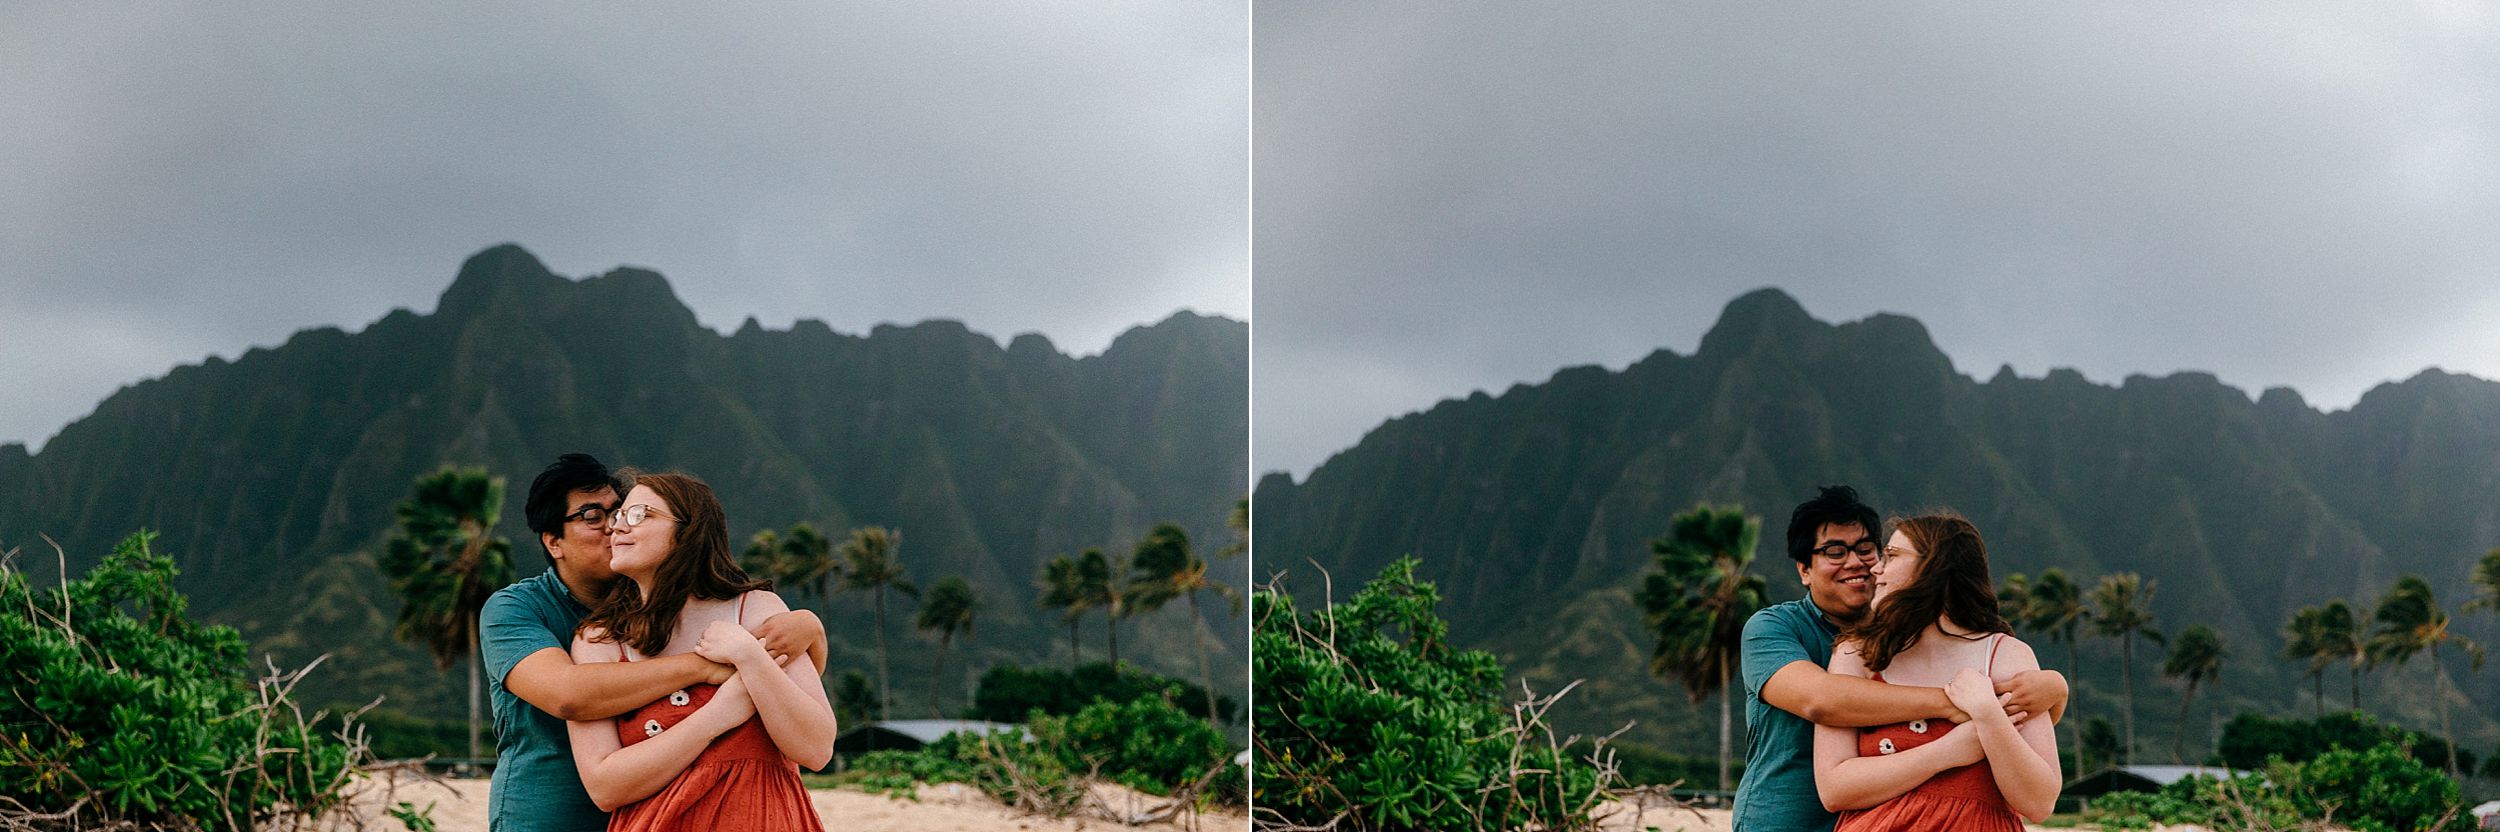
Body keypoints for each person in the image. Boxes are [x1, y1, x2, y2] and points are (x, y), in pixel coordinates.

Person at [482, 454, 828, 832]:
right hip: (552, 817)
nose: (614, 528)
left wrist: (809, 628)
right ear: (554, 542)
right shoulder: (522, 611)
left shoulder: (741, 611)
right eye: (592, 517)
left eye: (626, 513)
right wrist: (710, 669)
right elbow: (570, 696)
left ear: (687, 532)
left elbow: (808, 731)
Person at [1730, 486, 2066, 832]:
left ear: (1933, 567)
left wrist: (2053, 690)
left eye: (1869, 550)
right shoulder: (1778, 630)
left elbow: (2036, 787)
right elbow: (1821, 700)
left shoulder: (1994, 653)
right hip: (1787, 821)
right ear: (1804, 570)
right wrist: (1961, 705)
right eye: (1834, 551)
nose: (1861, 564)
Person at [567, 471, 838, 831]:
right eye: (619, 518)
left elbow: (817, 749)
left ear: (687, 532)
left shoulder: (756, 610)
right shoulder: (599, 640)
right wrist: (721, 713)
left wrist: (749, 656)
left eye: (639, 515)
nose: (617, 528)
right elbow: (604, 787)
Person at [1813, 513, 2060, 828]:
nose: (1875, 568)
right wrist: (1951, 749)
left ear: (1935, 567)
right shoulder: (1857, 654)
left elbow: (2039, 803)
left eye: (1892, 556)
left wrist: (1987, 713)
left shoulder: (2004, 655)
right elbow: (1834, 789)